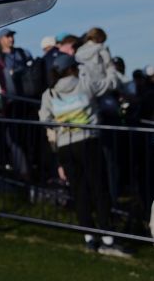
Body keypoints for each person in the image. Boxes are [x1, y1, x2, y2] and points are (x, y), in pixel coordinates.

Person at [38, 53, 131, 257]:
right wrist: (109, 66)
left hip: (66, 145)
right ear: (71, 69)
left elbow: (45, 119)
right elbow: (110, 83)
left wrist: (63, 125)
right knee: (99, 188)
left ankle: (89, 236)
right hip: (88, 141)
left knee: (79, 191)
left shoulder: (49, 94)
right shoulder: (85, 84)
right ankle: (107, 237)